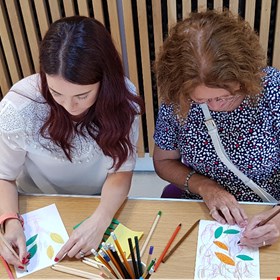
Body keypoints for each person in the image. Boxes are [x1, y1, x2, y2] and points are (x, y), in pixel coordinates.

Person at [0, 16, 144, 268]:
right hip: (36, 203)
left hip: (101, 201)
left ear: (105, 80)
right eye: (56, 93)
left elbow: (121, 171)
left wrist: (101, 219)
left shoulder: (123, 101)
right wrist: (10, 220)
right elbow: (3, 176)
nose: (69, 106)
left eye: (82, 95)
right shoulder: (19, 108)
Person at [153, 9, 280, 248]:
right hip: (205, 210)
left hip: (267, 210)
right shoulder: (177, 100)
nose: (214, 107)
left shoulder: (273, 91)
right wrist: (205, 187)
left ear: (245, 76)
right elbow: (163, 162)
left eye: (224, 97)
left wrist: (277, 222)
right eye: (201, 101)